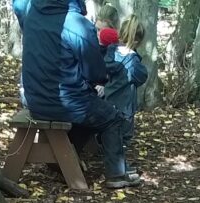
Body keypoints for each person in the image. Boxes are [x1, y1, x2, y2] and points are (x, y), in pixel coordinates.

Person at [19, 0, 141, 189]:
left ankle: (61, 160)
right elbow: (95, 73)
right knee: (112, 118)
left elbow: (18, 5)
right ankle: (117, 174)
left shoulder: (33, 14)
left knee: (94, 112)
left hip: (34, 99)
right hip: (66, 101)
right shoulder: (77, 24)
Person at [103, 16, 147, 155]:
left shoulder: (110, 53)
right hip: (125, 106)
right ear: (136, 41)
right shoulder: (134, 63)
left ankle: (112, 162)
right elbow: (141, 77)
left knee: (108, 134)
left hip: (107, 101)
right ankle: (119, 167)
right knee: (123, 138)